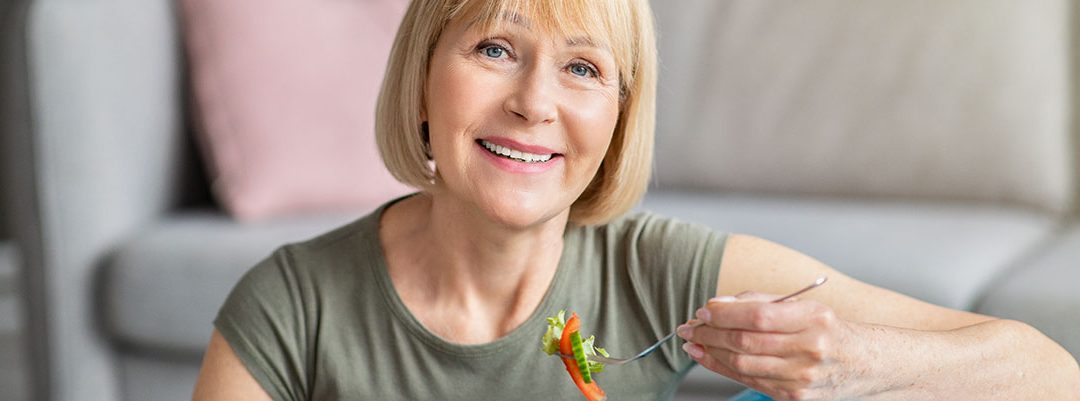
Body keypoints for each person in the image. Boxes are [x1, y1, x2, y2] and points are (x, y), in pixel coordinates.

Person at [191, 0, 1080, 400]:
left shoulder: (655, 270)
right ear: (424, 79)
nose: (535, 102)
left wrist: (856, 360)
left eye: (583, 68)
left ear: (617, 120)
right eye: (496, 47)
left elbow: (1050, 374)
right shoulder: (291, 305)